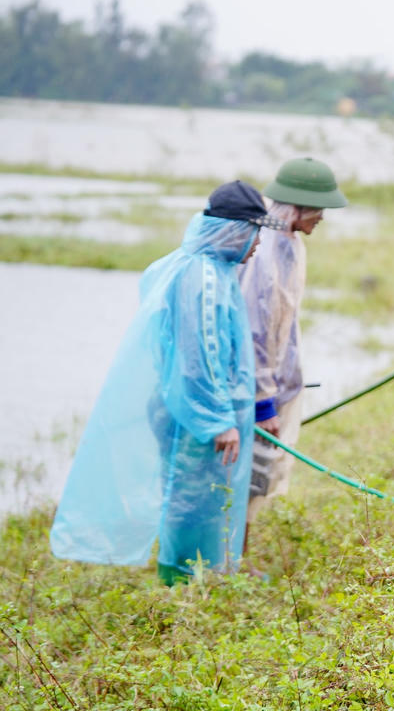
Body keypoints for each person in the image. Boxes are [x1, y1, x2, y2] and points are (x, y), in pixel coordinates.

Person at [51, 181, 287, 585]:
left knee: (207, 494)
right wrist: (219, 421)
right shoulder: (203, 277)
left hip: (193, 409)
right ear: (233, 230)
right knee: (192, 498)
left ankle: (207, 573)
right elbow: (199, 359)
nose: (258, 244)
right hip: (194, 412)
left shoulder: (209, 268)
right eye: (255, 232)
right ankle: (183, 581)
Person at [238, 158, 347, 551]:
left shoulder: (291, 244)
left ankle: (236, 558)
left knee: (260, 474)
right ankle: (230, 561)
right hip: (254, 390)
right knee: (246, 475)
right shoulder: (261, 250)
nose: (321, 218)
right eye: (317, 210)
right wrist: (262, 400)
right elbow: (254, 330)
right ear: (294, 208)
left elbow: (285, 324)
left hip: (278, 382)